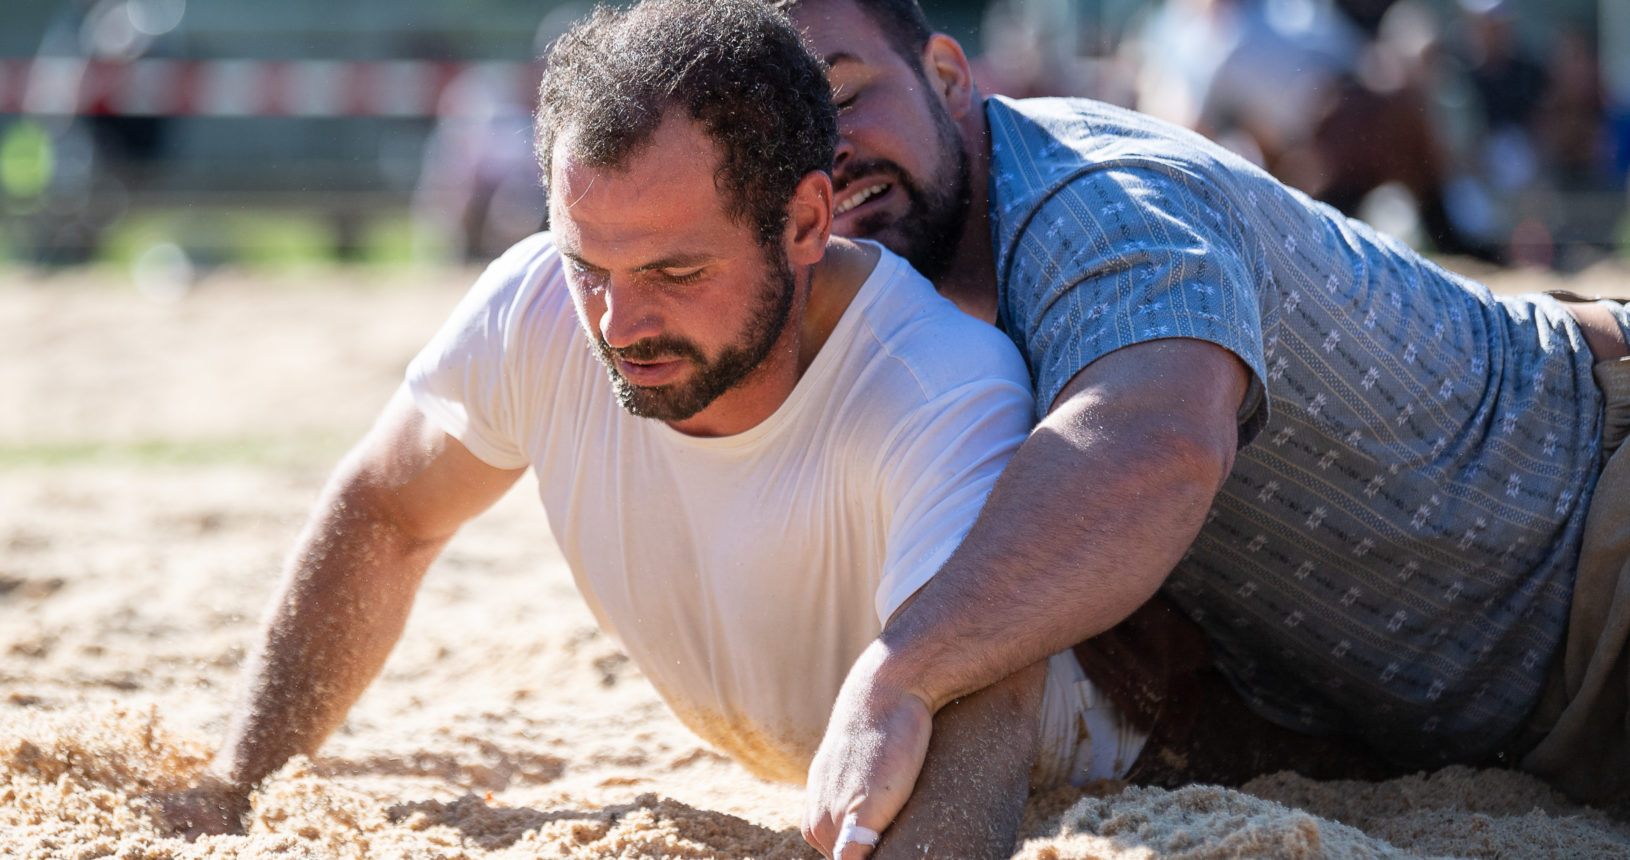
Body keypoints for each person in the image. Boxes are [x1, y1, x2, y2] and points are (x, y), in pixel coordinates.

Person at [149, 0, 1155, 851]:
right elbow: (387, 511)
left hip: (1107, 756)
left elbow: (981, 687)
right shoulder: (538, 302)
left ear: (807, 224)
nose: (617, 325)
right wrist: (240, 782)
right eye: (590, 264)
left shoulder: (936, 381)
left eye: (677, 272)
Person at [772, 0, 1630, 856]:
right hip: (1536, 687)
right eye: (780, 141)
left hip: (1602, 513)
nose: (824, 155)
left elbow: (1158, 445)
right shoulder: (929, 310)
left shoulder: (1090, 197)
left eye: (841, 98)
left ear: (949, 78)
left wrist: (901, 674)